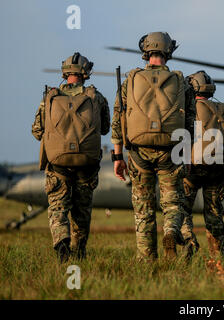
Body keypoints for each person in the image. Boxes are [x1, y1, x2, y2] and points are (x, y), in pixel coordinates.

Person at [111, 32, 196, 261]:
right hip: (171, 152)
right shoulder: (182, 82)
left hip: (138, 153)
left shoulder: (130, 80)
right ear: (169, 52)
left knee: (143, 208)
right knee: (173, 202)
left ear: (145, 51)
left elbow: (118, 120)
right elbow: (189, 123)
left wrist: (117, 157)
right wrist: (186, 155)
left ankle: (147, 258)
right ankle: (170, 231)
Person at [32, 52, 110, 262]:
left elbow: (37, 131)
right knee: (82, 211)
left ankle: (61, 240)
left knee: (58, 206)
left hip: (57, 164)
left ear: (65, 73)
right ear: (86, 73)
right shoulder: (97, 97)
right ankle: (79, 252)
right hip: (86, 164)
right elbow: (104, 129)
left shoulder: (50, 97)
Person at [180, 71, 224, 260]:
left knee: (182, 210)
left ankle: (188, 240)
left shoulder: (189, 108)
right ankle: (217, 258)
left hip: (193, 168)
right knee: (214, 214)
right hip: (219, 169)